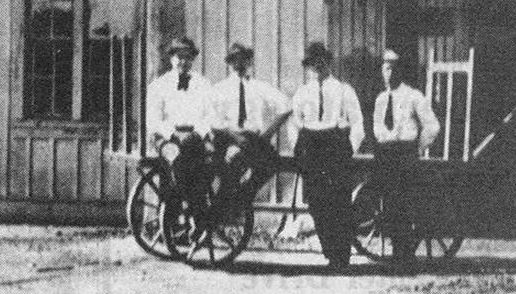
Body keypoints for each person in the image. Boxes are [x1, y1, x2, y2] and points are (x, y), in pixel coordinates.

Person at [291, 42, 364, 269]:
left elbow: (358, 123)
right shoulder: (303, 93)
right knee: (316, 203)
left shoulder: (344, 90)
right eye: (312, 63)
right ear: (309, 66)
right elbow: (294, 125)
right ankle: (330, 252)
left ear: (328, 62)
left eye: (320, 62)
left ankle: (341, 256)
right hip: (312, 149)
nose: (317, 67)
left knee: (339, 202)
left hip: (335, 148)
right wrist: (298, 147)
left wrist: (350, 148)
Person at [373, 48, 441, 263]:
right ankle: (396, 251)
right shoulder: (381, 99)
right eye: (385, 69)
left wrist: (418, 147)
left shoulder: (414, 97)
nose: (389, 74)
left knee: (402, 202)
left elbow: (432, 126)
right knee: (387, 202)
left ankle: (404, 253)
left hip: (405, 154)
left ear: (400, 71)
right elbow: (376, 127)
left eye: (393, 69)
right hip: (386, 154)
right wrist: (384, 140)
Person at [208, 42, 293, 196]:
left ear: (249, 61)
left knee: (272, 161)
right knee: (228, 168)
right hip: (227, 137)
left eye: (244, 58)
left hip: (252, 139)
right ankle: (223, 205)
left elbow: (286, 106)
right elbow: (213, 121)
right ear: (230, 62)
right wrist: (234, 137)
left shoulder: (259, 87)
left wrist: (268, 134)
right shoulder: (220, 89)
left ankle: (243, 196)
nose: (239, 63)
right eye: (235, 59)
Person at [146, 37, 212, 216]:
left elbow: (210, 115)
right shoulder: (159, 85)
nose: (184, 62)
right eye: (179, 57)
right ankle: (178, 210)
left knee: (207, 163)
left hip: (193, 137)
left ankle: (198, 210)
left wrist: (198, 132)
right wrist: (172, 134)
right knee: (175, 159)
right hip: (167, 136)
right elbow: (153, 120)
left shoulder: (202, 84)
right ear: (171, 58)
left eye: (188, 58)